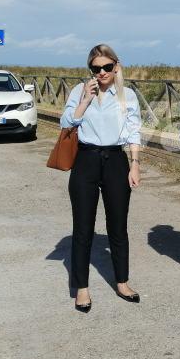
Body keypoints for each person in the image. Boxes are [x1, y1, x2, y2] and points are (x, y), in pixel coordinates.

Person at [60, 44, 142, 313]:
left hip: (116, 162)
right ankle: (81, 288)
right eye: (96, 68)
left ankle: (122, 282)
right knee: (83, 227)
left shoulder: (127, 95)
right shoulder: (79, 91)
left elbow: (133, 132)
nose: (102, 72)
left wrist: (135, 164)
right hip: (85, 160)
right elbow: (66, 124)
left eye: (107, 67)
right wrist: (84, 99)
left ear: (116, 66)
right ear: (91, 70)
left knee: (118, 227)